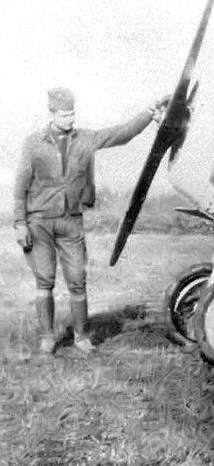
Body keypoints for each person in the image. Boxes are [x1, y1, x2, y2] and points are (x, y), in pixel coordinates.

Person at [13, 87, 165, 356]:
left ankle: (82, 337)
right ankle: (47, 337)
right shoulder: (33, 143)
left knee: (77, 280)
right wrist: (20, 223)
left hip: (71, 223)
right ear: (51, 113)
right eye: (64, 114)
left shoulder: (86, 139)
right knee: (45, 280)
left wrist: (150, 113)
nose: (70, 119)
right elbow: (21, 186)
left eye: (72, 113)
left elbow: (123, 133)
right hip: (39, 224)